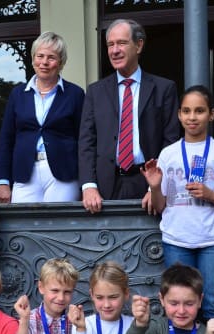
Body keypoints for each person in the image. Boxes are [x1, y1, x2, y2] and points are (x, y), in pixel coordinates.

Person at [143, 85, 214, 334]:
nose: (192, 117)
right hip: (177, 240)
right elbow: (161, 205)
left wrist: (211, 195)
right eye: (186, 111)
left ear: (211, 114)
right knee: (180, 309)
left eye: (199, 111)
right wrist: (154, 187)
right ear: (179, 115)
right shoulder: (169, 154)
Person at [78, 18, 180, 214]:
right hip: (104, 186)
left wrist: (156, 187)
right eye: (110, 44)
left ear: (139, 45)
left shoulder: (164, 88)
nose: (115, 50)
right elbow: (86, 142)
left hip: (147, 183)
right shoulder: (95, 92)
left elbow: (171, 141)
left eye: (122, 43)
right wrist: (88, 185)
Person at [0, 31, 85, 203]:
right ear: (33, 58)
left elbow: (83, 140)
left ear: (61, 62)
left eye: (51, 57)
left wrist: (85, 183)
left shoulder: (75, 94)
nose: (44, 62)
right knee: (22, 227)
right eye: (40, 56)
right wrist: (3, 181)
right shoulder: (18, 94)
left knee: (57, 226)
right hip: (24, 172)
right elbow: (6, 139)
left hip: (63, 174)